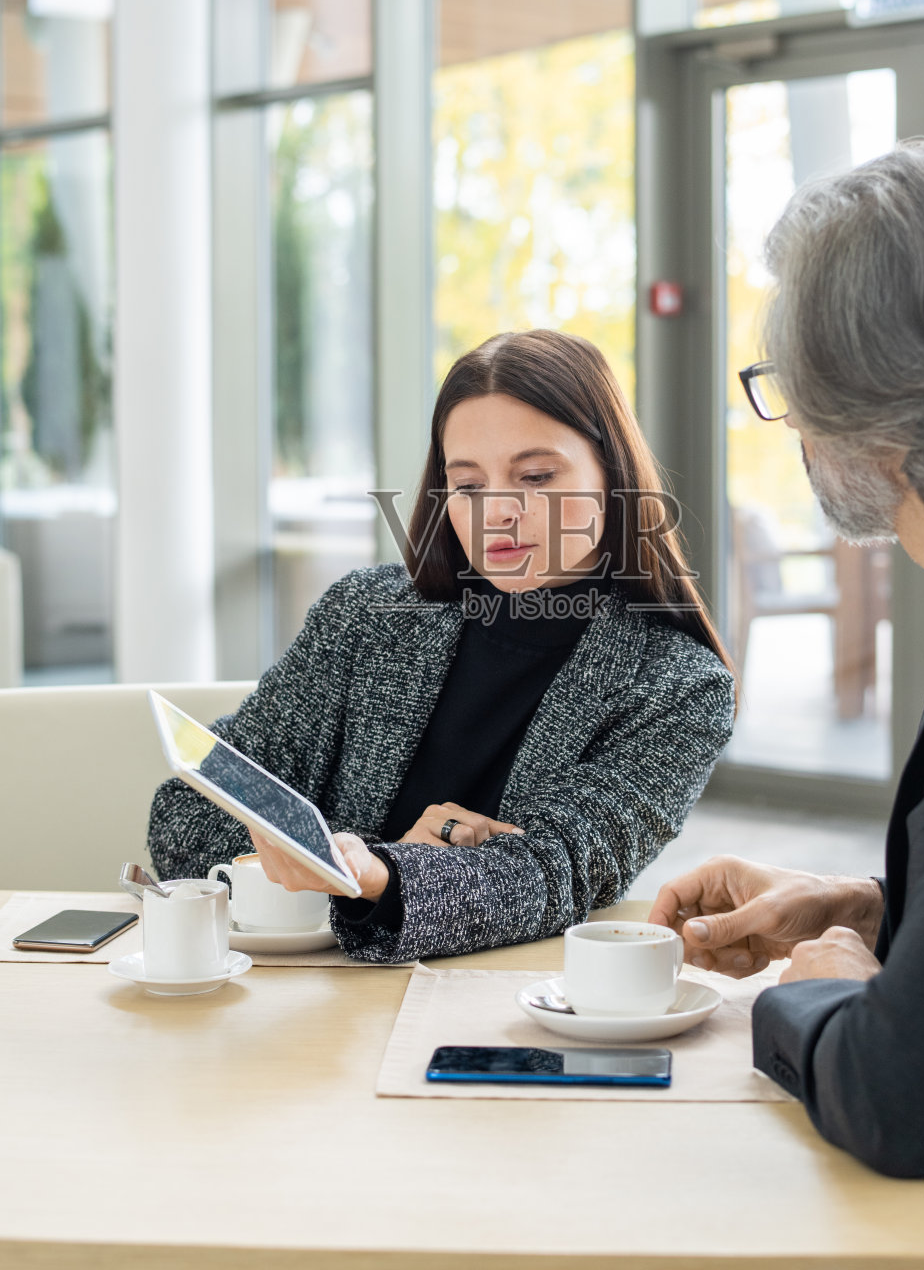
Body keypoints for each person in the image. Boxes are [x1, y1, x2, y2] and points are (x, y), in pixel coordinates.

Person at [466, 145, 924, 1270]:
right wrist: (875, 910)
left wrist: (808, 996)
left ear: (872, 408)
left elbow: (909, 1102)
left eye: (789, 389)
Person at [148, 327, 735, 965]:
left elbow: (555, 873)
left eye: (536, 476)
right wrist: (374, 861)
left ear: (613, 473)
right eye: (469, 486)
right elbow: (186, 811)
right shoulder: (367, 615)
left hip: (506, 1002)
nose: (499, 513)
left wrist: (376, 871)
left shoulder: (679, 685)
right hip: (302, 999)